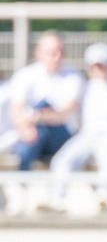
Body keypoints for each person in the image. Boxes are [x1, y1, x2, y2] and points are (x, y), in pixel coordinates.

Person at [46, 43, 107, 212]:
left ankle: (103, 197)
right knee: (62, 160)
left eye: (103, 65)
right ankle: (57, 199)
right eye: (96, 66)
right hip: (88, 135)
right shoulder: (84, 86)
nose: (100, 69)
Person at [8, 31, 84, 172]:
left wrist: (36, 117)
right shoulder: (25, 75)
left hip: (63, 136)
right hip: (33, 134)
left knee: (40, 116)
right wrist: (26, 128)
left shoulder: (74, 77)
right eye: (52, 51)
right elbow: (15, 110)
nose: (57, 56)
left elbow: (63, 114)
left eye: (61, 51)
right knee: (33, 135)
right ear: (38, 53)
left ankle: (21, 181)